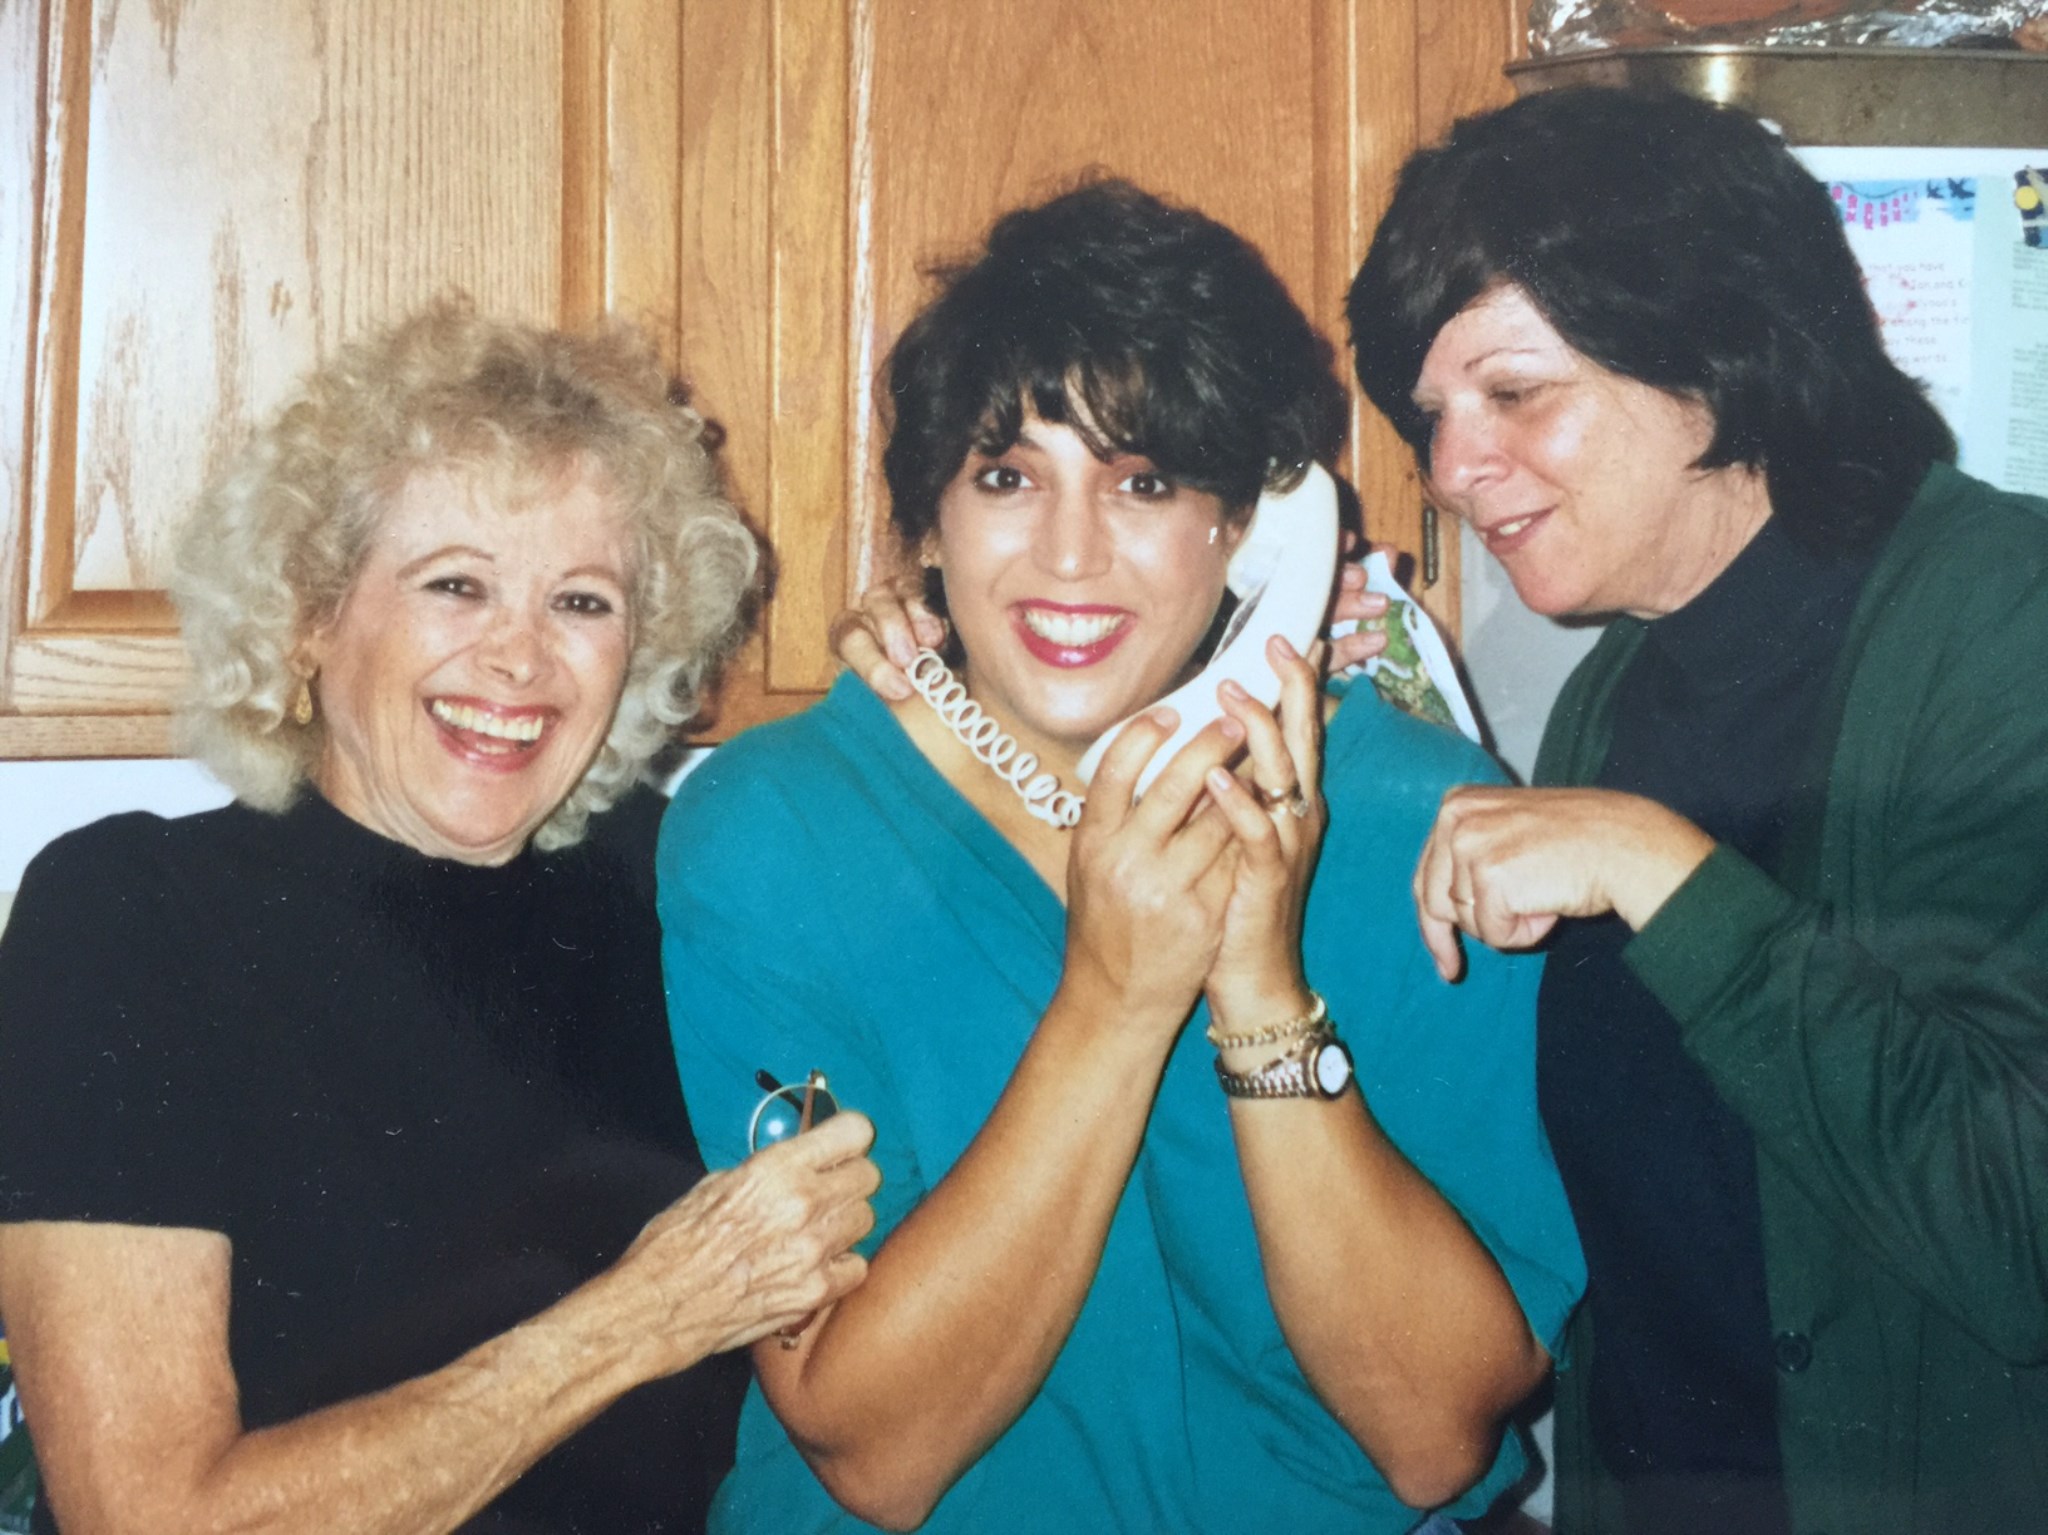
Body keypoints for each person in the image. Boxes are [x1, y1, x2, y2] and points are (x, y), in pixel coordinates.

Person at [658, 180, 1583, 1535]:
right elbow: (878, 1454)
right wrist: (1116, 995)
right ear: (929, 519)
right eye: (1006, 476)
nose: (1070, 553)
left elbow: (1435, 1439)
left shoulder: (1420, 819)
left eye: (1143, 481)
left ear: (1252, 523)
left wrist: (1260, 995)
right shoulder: (773, 829)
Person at [0, 302, 880, 1534]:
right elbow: (150, 1516)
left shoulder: (674, 882)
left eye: (583, 602)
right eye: (457, 584)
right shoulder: (132, 917)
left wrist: (941, 705)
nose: (520, 658)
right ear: (311, 614)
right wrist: (644, 1315)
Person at [1343, 87, 2048, 1535]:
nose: (1451, 471)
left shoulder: (2004, 623)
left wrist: (1661, 868)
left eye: (1513, 393)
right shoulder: (1613, 694)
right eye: (1431, 417)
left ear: (1715, 359)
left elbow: (2016, 1227)